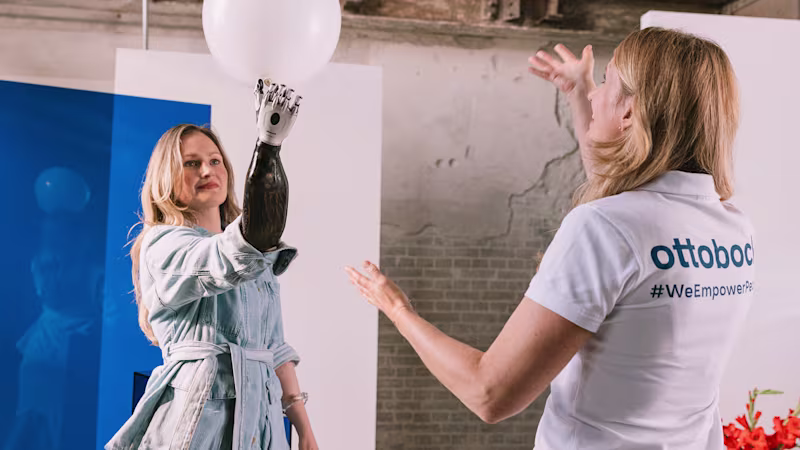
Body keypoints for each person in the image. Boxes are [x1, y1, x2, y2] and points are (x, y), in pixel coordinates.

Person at [346, 27, 751, 449]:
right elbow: (625, 208)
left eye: (606, 84)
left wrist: (397, 309)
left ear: (630, 112)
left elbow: (489, 393)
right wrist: (580, 95)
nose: (596, 95)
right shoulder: (734, 229)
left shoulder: (603, 227)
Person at [106, 81, 318, 450]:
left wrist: (303, 427)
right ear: (167, 177)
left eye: (214, 161)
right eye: (191, 163)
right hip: (197, 421)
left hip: (263, 422)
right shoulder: (164, 244)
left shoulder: (254, 253)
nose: (207, 170)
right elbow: (224, 259)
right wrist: (267, 149)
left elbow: (274, 345)